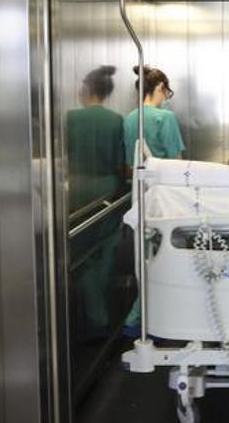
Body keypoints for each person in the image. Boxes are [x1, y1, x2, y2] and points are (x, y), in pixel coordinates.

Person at [122, 65, 183, 337]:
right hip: (164, 197)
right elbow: (176, 165)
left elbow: (128, 164)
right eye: (166, 91)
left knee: (144, 260)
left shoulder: (130, 118)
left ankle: (138, 319)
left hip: (138, 196)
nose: (166, 97)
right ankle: (142, 320)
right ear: (159, 88)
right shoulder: (164, 118)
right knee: (161, 260)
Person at [65, 67, 127, 337]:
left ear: (88, 89)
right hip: (107, 188)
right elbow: (121, 162)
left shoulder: (71, 118)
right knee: (105, 250)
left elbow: (63, 154)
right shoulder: (116, 121)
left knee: (82, 253)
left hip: (78, 188)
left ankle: (91, 316)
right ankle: (100, 314)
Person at [123, 65, 185, 163]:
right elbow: (176, 160)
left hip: (135, 177)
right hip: (163, 177)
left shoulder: (129, 118)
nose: (167, 95)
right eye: (167, 90)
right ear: (161, 87)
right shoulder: (166, 117)